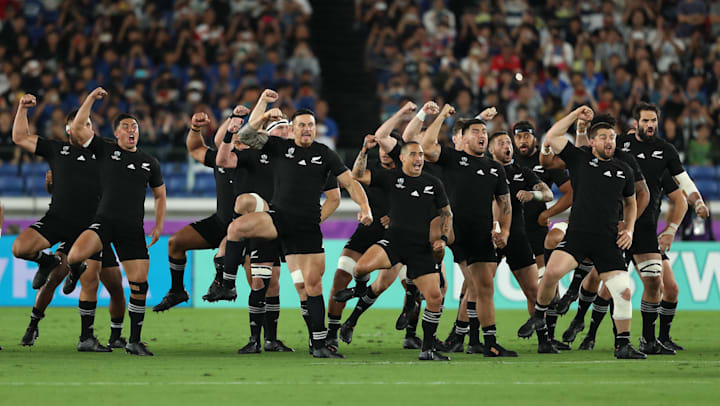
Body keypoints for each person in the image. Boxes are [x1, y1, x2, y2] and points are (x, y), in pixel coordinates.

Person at [220, 106, 372, 359]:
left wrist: (365, 207)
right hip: (279, 219)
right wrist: (264, 116)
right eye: (301, 125)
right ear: (291, 129)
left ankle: (319, 344)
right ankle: (226, 283)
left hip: (307, 229)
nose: (306, 129)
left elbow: (349, 183)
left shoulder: (325, 154)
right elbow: (246, 136)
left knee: (310, 287)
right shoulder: (279, 147)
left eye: (311, 125)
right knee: (236, 227)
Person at [519, 106, 645, 359]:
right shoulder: (580, 158)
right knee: (551, 274)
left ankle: (622, 345)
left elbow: (631, 203)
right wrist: (575, 114)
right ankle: (539, 316)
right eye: (603, 137)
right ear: (591, 141)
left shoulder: (624, 169)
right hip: (577, 235)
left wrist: (629, 229)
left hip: (608, 240)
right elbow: (553, 138)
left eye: (612, 137)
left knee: (623, 291)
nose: (609, 141)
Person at [11, 94, 127, 351]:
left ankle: (107, 336)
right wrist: (21, 108)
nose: (89, 128)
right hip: (60, 220)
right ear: (70, 128)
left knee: (113, 284)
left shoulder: (104, 151)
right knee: (26, 254)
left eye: (90, 125)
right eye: (85, 124)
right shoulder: (57, 149)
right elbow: (19, 138)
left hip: (93, 227)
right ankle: (35, 321)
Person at [65, 87, 166, 356]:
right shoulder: (104, 149)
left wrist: (158, 225)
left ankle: (133, 340)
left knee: (139, 285)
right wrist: (90, 99)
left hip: (132, 229)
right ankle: (75, 272)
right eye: (126, 126)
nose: (132, 130)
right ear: (116, 133)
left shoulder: (149, 162)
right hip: (105, 221)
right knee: (74, 256)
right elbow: (76, 129)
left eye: (135, 127)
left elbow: (160, 195)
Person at [421, 109, 517, 357]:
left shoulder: (496, 169)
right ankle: (421, 275)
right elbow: (425, 144)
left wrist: (504, 231)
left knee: (483, 287)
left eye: (484, 131)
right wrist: (442, 115)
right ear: (463, 138)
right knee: (434, 235)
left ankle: (489, 343)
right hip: (452, 228)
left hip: (479, 232)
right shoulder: (452, 158)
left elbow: (505, 203)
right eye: (475, 131)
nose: (481, 135)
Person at [347, 141, 453, 360]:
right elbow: (357, 174)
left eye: (421, 154)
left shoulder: (433, 183)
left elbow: (446, 213)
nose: (419, 158)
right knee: (361, 268)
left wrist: (442, 238)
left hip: (420, 248)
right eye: (413, 154)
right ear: (402, 158)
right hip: (394, 242)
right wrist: (365, 150)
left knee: (434, 297)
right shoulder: (391, 177)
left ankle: (428, 349)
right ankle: (359, 289)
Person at [617, 102, 708, 354]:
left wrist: (697, 201)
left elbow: (683, 181)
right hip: (618, 222)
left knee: (656, 283)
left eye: (653, 121)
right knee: (606, 284)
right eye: (645, 121)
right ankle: (585, 328)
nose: (650, 125)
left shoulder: (665, 150)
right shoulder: (620, 145)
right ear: (635, 123)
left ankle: (649, 340)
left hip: (646, 226)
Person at [153, 106, 249, 312]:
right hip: (220, 222)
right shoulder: (221, 159)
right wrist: (195, 129)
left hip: (248, 229)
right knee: (175, 242)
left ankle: (264, 333)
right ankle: (178, 290)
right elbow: (195, 149)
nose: (232, 137)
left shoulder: (257, 162)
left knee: (259, 284)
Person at [486, 130, 558, 349]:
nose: (507, 145)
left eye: (508, 142)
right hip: (491, 236)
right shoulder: (485, 172)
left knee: (533, 291)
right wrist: (496, 229)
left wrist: (531, 195)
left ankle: (543, 341)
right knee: (477, 289)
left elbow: (548, 194)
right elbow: (490, 205)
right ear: (491, 149)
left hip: (517, 236)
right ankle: (465, 339)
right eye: (501, 142)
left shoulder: (523, 173)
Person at [326, 133, 395, 348]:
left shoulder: (411, 174)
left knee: (404, 286)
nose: (383, 153)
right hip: (365, 233)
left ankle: (411, 333)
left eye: (388, 148)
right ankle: (331, 333)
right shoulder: (372, 169)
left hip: (396, 237)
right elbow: (354, 177)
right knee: (339, 278)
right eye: (380, 149)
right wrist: (364, 149)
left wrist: (397, 217)